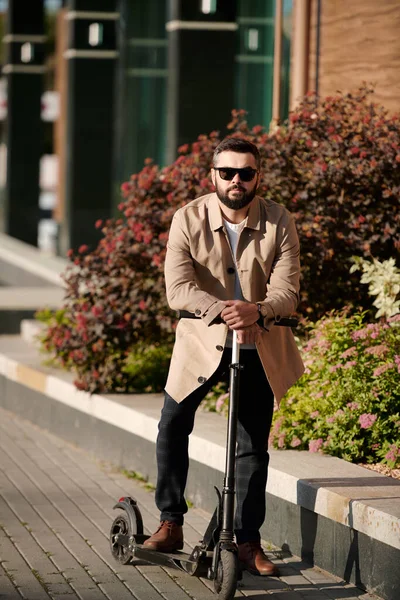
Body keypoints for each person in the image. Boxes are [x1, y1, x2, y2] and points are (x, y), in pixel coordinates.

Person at [143, 137, 304, 576]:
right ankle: (171, 522)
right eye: (228, 172)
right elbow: (178, 290)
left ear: (258, 176)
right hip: (201, 343)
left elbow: (287, 292)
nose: (237, 180)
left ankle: (248, 543)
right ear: (212, 175)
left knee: (253, 447)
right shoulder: (187, 218)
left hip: (260, 345)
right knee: (173, 425)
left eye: (246, 173)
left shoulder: (278, 220)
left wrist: (258, 309)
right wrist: (225, 309)